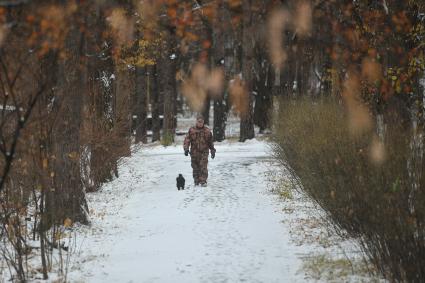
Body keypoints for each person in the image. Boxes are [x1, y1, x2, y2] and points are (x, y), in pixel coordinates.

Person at [183, 116, 216, 186]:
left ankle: (203, 181)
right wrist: (186, 149)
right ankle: (196, 180)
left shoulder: (207, 131)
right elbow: (187, 140)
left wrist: (212, 150)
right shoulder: (192, 130)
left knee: (203, 166)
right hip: (194, 152)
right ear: (196, 122)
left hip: (204, 152)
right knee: (195, 167)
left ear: (203, 122)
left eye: (201, 122)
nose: (200, 123)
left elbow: (210, 142)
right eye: (199, 122)